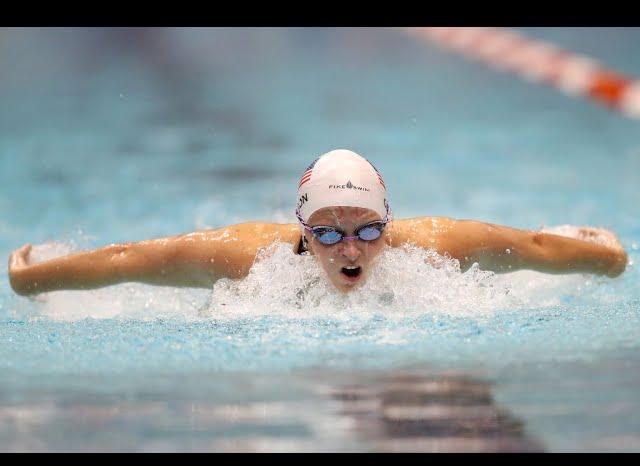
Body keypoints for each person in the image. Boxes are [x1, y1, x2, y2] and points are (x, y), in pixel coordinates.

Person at [8, 149, 628, 296]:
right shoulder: (250, 258)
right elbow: (130, 260)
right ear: (303, 231)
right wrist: (32, 280)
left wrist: (609, 257)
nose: (349, 248)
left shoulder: (435, 248)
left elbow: (532, 247)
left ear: (390, 223)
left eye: (367, 229)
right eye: (328, 233)